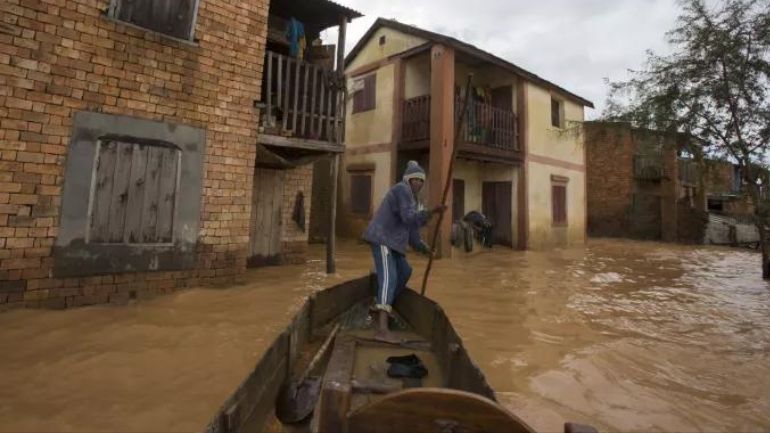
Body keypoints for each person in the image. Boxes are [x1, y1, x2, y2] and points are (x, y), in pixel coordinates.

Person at [363, 160, 446, 343]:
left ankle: (381, 306)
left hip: (394, 245)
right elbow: (409, 218)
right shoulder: (402, 190)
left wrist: (426, 250)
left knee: (405, 271)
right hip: (382, 239)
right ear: (408, 180)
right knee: (389, 277)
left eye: (421, 181)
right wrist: (432, 212)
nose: (418, 183)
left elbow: (414, 237)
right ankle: (382, 330)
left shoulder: (412, 202)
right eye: (415, 179)